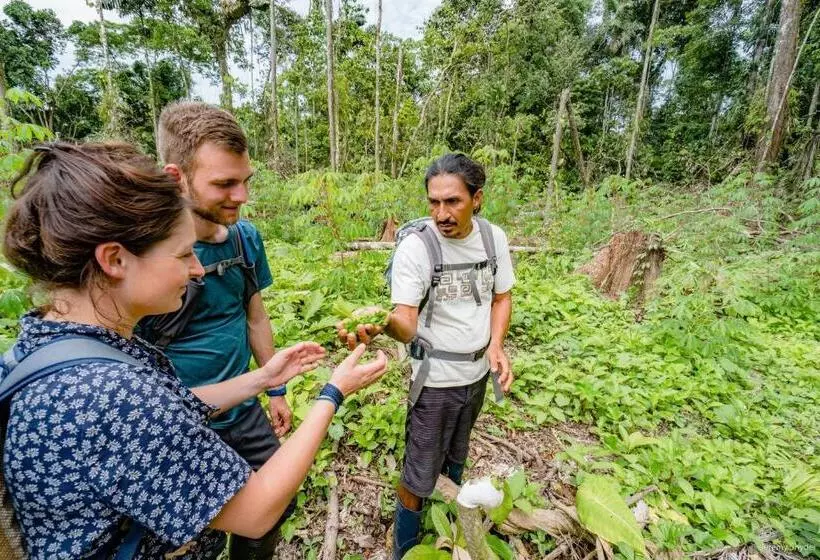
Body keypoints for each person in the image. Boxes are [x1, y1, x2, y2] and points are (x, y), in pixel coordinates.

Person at [1, 142, 387, 559]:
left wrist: (264, 378)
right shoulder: (111, 397)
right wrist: (332, 393)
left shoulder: (54, 345)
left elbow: (170, 406)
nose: (198, 269)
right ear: (114, 259)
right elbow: (257, 511)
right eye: (183, 254)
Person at [337, 153, 516, 559]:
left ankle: (447, 528)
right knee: (418, 473)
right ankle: (404, 549)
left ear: (477, 199)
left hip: (477, 376)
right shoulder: (417, 248)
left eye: (452, 201)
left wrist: (497, 344)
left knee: (457, 456)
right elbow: (406, 322)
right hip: (435, 381)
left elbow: (502, 297)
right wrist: (385, 323)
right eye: (434, 202)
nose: (441, 214)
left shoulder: (493, 239)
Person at [137, 101, 293, 558]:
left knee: (273, 505)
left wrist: (275, 389)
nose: (241, 195)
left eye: (245, 181)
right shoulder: (144, 256)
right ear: (176, 178)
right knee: (193, 537)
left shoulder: (245, 239)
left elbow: (255, 316)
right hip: (179, 423)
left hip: (243, 408)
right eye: (224, 184)